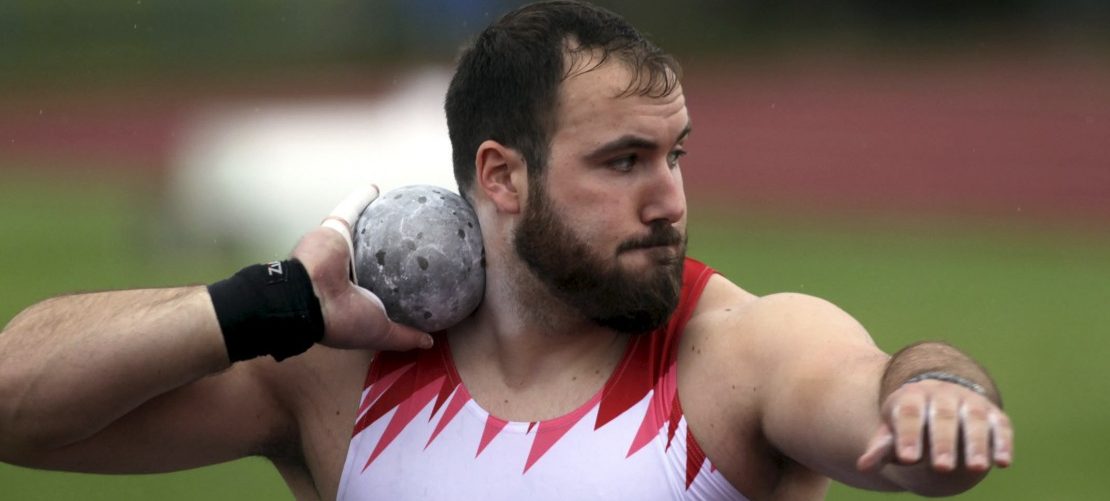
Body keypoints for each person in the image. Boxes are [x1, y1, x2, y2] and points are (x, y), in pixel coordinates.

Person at [0, 1, 1011, 499]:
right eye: (622, 162)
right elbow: (18, 409)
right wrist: (261, 305)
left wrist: (940, 395)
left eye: (676, 155)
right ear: (501, 176)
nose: (670, 200)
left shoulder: (739, 353)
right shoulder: (340, 372)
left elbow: (878, 385)